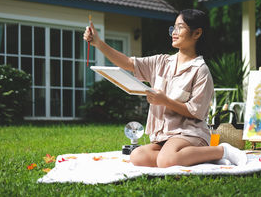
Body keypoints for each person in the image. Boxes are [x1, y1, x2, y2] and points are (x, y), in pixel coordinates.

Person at [83, 9, 247, 167]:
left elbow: (195, 112)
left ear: (197, 33)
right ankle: (199, 157)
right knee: (137, 156)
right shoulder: (161, 62)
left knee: (166, 161)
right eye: (173, 28)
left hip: (189, 133)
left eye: (180, 27)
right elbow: (128, 63)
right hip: (164, 135)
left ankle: (220, 151)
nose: (174, 32)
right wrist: (98, 43)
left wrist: (165, 101)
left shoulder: (200, 71)